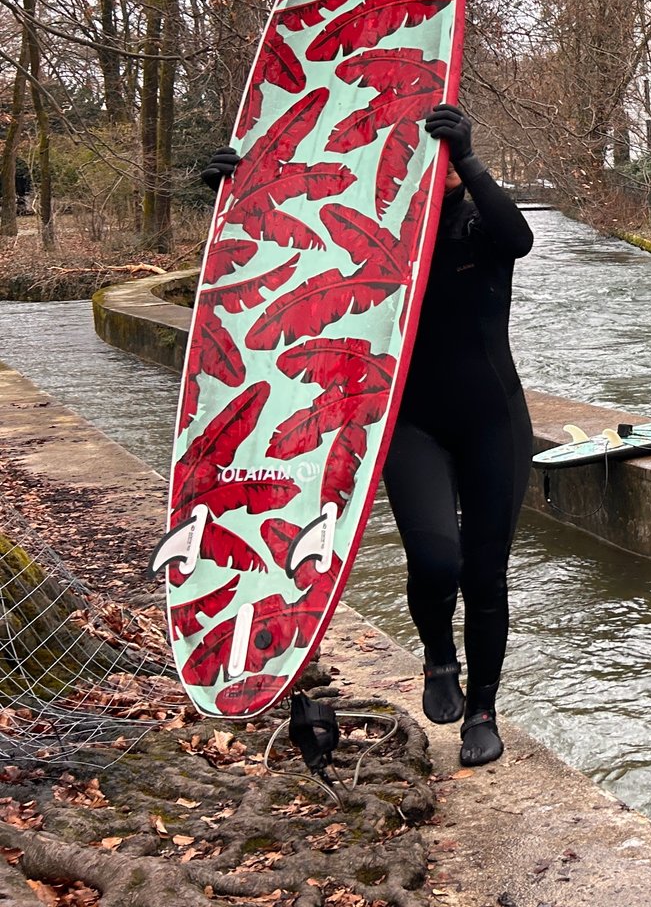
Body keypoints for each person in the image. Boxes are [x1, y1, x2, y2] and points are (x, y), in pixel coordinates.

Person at [202, 103, 532, 767]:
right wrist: (233, 198)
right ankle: (440, 657)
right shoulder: (373, 234)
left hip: (494, 421)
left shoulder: (476, 223)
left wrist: (467, 158)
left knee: (486, 573)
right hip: (409, 422)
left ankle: (484, 708)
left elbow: (519, 237)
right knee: (438, 560)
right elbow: (287, 258)